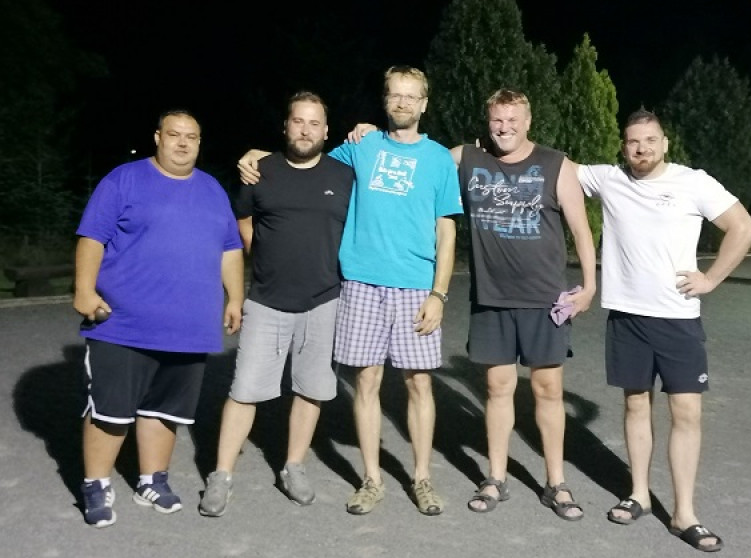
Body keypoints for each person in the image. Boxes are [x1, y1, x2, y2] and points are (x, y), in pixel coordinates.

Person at [347, 88, 596, 520]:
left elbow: (581, 230)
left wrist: (590, 286)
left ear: (528, 121)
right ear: (488, 121)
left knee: (548, 390)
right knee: (497, 389)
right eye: (498, 120)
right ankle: (495, 477)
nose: (505, 127)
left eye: (513, 120)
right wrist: (375, 134)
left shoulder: (556, 164)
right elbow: (418, 156)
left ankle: (556, 483)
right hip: (491, 298)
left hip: (544, 298)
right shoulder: (466, 157)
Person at [237, 66, 463, 516]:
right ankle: (372, 479)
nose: (402, 102)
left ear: (424, 104)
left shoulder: (438, 159)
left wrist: (439, 294)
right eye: (394, 94)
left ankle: (422, 478)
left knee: (419, 383)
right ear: (385, 100)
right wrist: (257, 154)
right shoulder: (361, 147)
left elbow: (447, 230)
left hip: (415, 285)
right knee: (367, 382)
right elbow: (304, 156)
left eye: (411, 96)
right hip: (360, 282)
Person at [576, 108, 751, 551]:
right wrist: (489, 149)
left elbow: (743, 226)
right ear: (624, 146)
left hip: (678, 318)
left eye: (650, 140)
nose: (642, 149)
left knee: (687, 413)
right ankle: (638, 494)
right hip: (627, 316)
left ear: (665, 144)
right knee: (636, 404)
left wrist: (711, 278)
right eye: (633, 142)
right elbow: (550, 165)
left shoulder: (693, 182)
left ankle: (684, 513)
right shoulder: (609, 179)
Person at [73, 109, 245, 528]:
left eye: (191, 137)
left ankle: (153, 480)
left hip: (188, 328)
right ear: (157, 137)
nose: (183, 143)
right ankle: (96, 484)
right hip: (123, 323)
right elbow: (92, 237)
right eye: (174, 134)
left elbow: (229, 248)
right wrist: (84, 290)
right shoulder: (124, 180)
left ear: (199, 143)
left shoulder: (212, 189)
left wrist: (236, 297)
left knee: (165, 409)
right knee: (111, 410)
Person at [198, 92, 354, 516]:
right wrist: (261, 253)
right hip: (267, 300)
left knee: (311, 389)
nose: (305, 130)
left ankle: (293, 466)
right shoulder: (260, 171)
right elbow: (243, 219)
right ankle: (221, 474)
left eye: (314, 123)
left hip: (325, 300)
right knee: (244, 389)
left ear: (326, 131)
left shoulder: (344, 175)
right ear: (286, 126)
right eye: (298, 121)